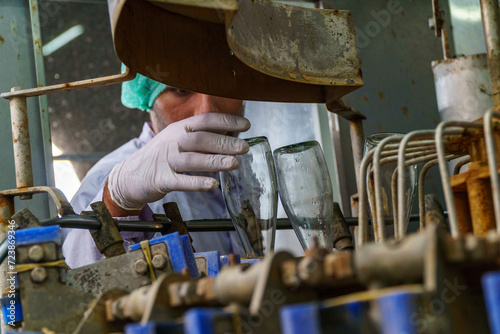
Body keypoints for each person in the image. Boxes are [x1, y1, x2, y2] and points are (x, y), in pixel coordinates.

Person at [62, 69, 251, 268]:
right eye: (180, 90)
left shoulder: (244, 170)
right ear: (148, 95)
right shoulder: (110, 180)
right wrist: (117, 201)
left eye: (222, 85)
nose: (206, 110)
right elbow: (76, 280)